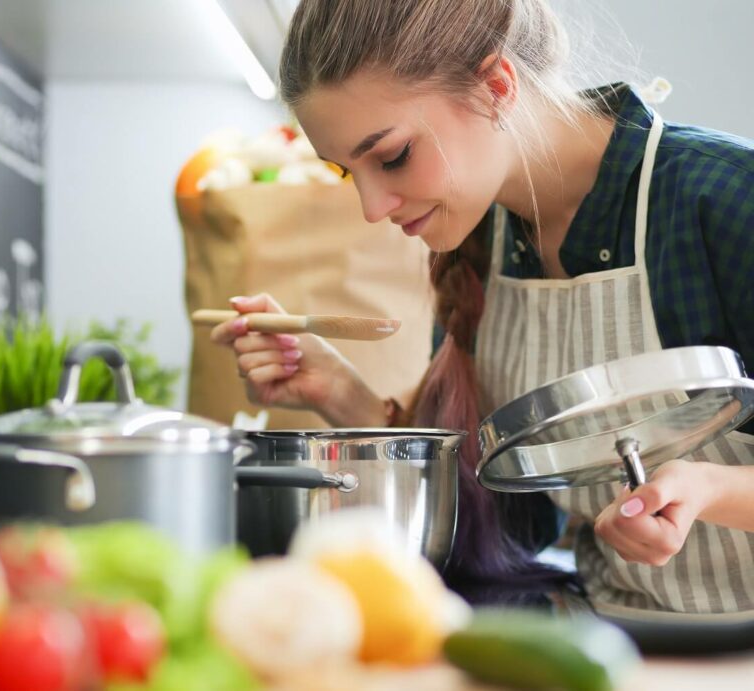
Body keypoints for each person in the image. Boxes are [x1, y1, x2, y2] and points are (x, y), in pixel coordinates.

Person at [210, 0, 754, 615]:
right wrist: (341, 393)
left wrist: (712, 489)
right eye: (346, 171)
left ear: (496, 87)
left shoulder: (726, 197)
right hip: (619, 648)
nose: (371, 207)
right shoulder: (483, 241)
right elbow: (506, 525)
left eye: (391, 157)